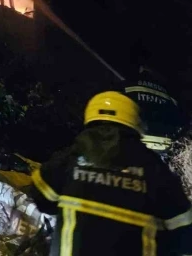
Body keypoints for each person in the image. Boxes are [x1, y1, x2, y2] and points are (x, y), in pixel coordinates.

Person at [31, 91, 192, 255]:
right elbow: (184, 230)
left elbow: (41, 197)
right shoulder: (153, 168)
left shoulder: (71, 158)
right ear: (135, 123)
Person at [125, 65, 185, 156]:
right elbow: (180, 117)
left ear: (141, 71)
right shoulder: (168, 93)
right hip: (163, 144)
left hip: (138, 138)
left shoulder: (128, 85)